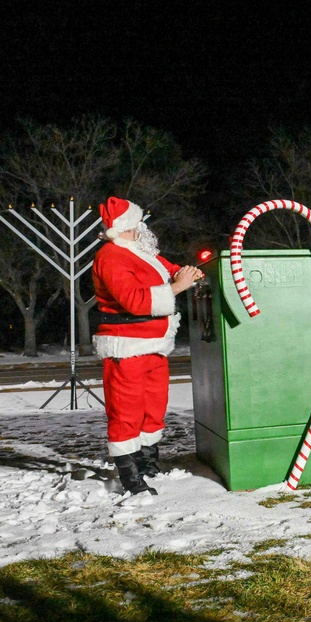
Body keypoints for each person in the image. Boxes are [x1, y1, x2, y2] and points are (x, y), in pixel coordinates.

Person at [92, 196, 204, 495]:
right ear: (125, 226)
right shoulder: (111, 256)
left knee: (153, 407)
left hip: (155, 345)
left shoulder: (141, 252)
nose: (143, 227)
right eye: (137, 223)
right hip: (126, 347)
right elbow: (134, 300)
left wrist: (190, 273)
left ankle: (148, 462)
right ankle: (130, 476)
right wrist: (178, 287)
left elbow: (171, 269)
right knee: (126, 411)